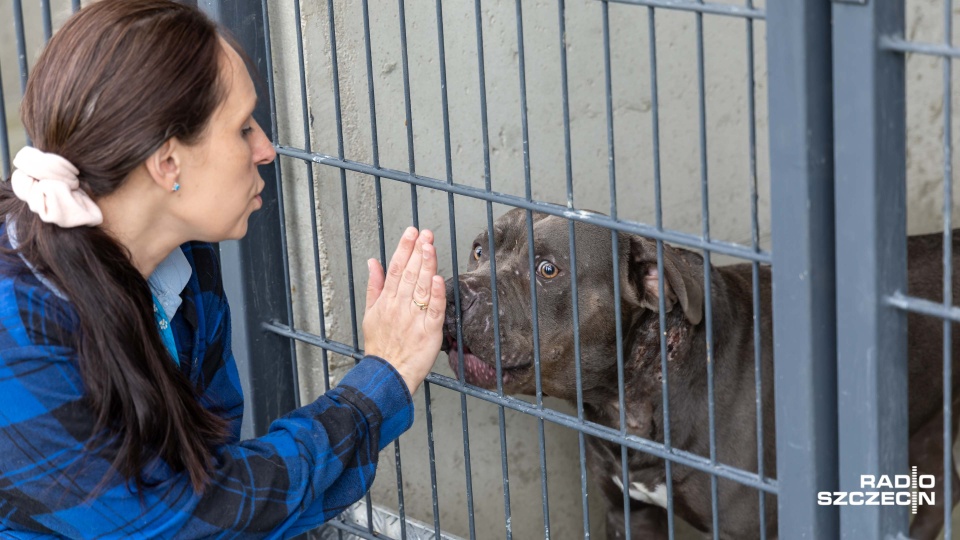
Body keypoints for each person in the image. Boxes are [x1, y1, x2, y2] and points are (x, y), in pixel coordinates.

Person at [0, 1, 446, 538]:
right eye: (242, 129)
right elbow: (185, 521)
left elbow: (223, 488)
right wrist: (379, 381)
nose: (266, 149)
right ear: (168, 164)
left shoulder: (184, 257)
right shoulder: (16, 323)